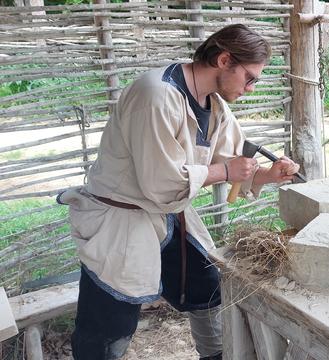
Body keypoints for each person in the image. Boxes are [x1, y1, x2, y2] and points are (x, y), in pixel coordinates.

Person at [57, 24, 300, 360]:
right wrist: (226, 171)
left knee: (208, 287)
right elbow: (161, 184)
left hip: (170, 212)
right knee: (110, 321)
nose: (251, 87)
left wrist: (266, 176)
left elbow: (230, 163)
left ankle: (215, 355)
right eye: (249, 77)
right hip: (120, 218)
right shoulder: (155, 95)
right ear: (224, 59)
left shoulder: (214, 107)